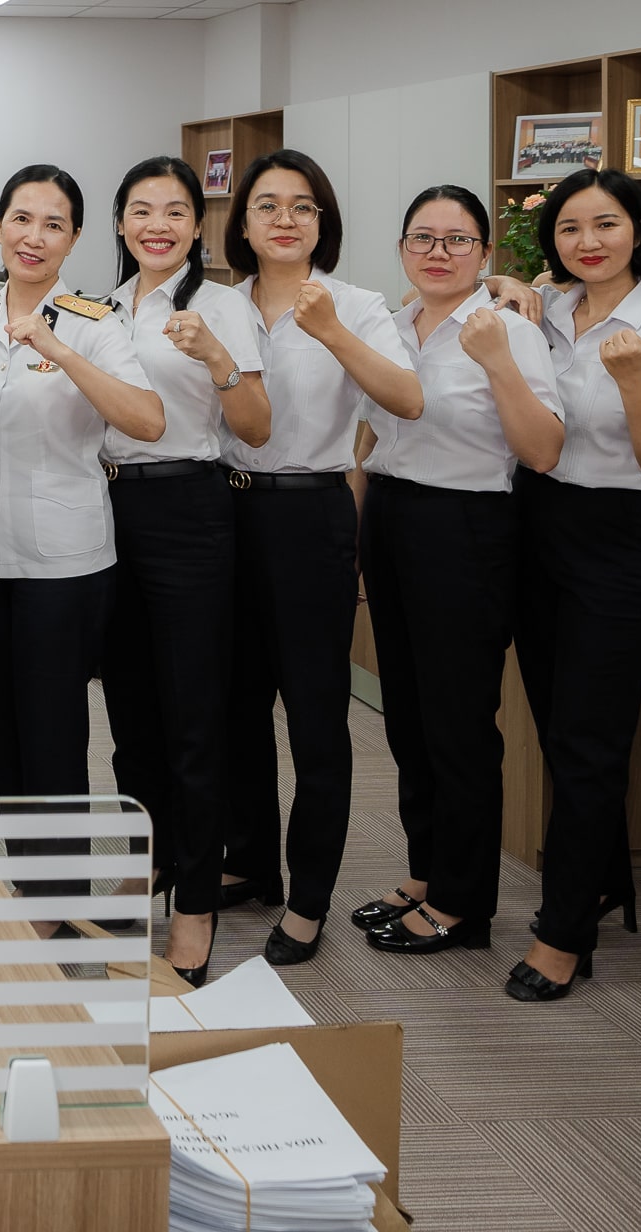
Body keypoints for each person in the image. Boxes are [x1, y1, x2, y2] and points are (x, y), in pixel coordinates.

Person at [507, 168, 641, 1004]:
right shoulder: (547, 311)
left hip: (626, 534)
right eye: (569, 228)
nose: (588, 242)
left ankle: (563, 935)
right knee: (559, 730)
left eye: (607, 225)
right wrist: (511, 285)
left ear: (640, 232)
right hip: (539, 523)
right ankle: (598, 882)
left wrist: (633, 382)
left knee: (591, 740)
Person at [214, 150, 420, 968]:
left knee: (314, 717)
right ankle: (250, 860)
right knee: (236, 707)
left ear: (322, 223)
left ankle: (308, 899)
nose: (285, 220)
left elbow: (406, 399)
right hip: (223, 512)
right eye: (267, 205)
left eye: (303, 206)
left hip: (309, 514)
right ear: (243, 223)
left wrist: (330, 329)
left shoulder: (357, 306)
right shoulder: (218, 305)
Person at [355, 186, 564, 960]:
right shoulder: (390, 324)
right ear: (402, 249)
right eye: (423, 238)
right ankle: (427, 871)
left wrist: (498, 361)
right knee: (407, 717)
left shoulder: (509, 327)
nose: (438, 252)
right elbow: (372, 440)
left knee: (457, 721)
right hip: (392, 516)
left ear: (485, 252)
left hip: (467, 525)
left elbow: (543, 448)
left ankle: (463, 901)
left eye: (457, 239)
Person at [0, 167, 162, 913]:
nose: (34, 237)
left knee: (52, 729)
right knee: (3, 730)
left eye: (53, 224)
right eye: (21, 219)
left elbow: (146, 420)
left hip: (64, 562)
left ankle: (62, 897)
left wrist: (60, 348)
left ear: (75, 239)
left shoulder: (95, 324)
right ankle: (30, 881)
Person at [94, 156, 271, 984]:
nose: (156, 225)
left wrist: (218, 358)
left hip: (189, 509)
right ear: (120, 222)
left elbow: (257, 427)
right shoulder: (102, 306)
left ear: (198, 225)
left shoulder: (221, 303)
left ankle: (197, 902)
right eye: (141, 210)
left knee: (194, 715)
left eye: (174, 211)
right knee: (130, 712)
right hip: (106, 509)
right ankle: (153, 861)